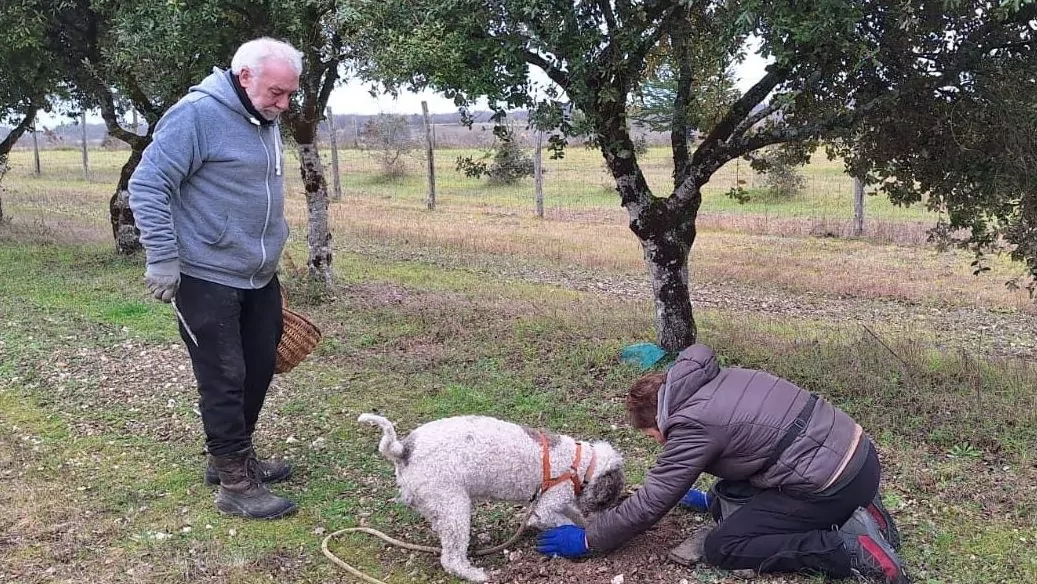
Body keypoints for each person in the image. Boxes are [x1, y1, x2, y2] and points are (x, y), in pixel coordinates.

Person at [537, 344, 909, 583]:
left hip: (831, 484)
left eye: (653, 437)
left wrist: (588, 539)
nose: (659, 443)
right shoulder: (719, 380)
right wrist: (711, 499)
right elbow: (758, 446)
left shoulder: (691, 426)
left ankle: (849, 551)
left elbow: (650, 503)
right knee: (730, 494)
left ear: (658, 422)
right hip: (857, 459)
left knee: (724, 547)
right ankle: (861, 511)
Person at [128, 37, 303, 520]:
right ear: (244, 76)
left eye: (290, 94)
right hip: (204, 273)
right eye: (276, 93)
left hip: (256, 274)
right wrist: (162, 257)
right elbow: (147, 183)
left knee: (259, 368)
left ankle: (230, 456)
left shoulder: (262, 117)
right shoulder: (197, 115)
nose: (284, 104)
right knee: (224, 378)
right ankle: (233, 485)